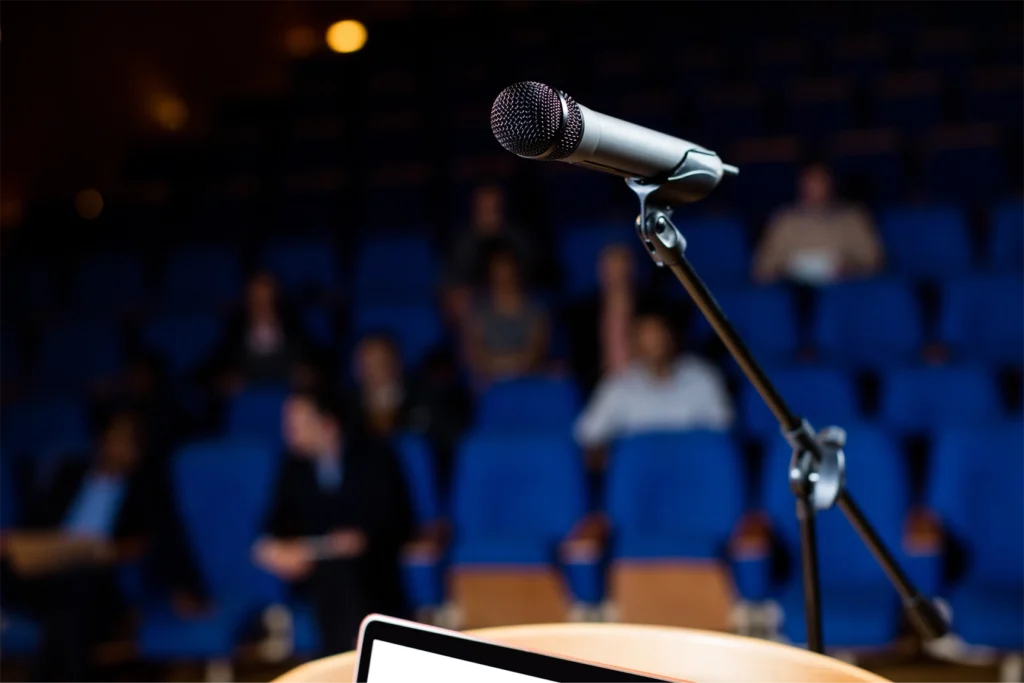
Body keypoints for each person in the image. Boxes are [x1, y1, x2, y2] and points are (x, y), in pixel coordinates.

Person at [254, 390, 414, 654]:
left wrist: (363, 537)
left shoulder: (375, 455)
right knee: (332, 578)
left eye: (297, 425)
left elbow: (398, 519)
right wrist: (280, 552)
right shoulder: (293, 467)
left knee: (346, 577)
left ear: (327, 424)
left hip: (373, 571)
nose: (289, 434)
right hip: (317, 575)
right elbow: (272, 526)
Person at [13, 412, 163, 683]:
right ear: (101, 441)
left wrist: (113, 551)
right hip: (47, 571)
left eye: (129, 444)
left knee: (71, 600)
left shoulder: (144, 487)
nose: (121, 449)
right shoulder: (69, 473)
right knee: (64, 603)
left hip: (101, 579)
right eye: (115, 440)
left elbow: (153, 540)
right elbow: (35, 524)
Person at [574, 311, 734, 453]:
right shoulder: (618, 385)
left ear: (672, 338)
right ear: (635, 345)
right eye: (647, 339)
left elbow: (723, 434)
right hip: (641, 476)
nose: (655, 345)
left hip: (694, 469)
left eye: (659, 337)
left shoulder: (702, 377)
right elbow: (587, 436)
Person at [346, 332, 469, 484]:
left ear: (396, 363)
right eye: (367, 363)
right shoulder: (344, 408)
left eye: (381, 361)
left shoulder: (426, 397)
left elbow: (452, 443)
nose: (374, 370)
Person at [752, 163, 884, 285]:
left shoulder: (853, 219)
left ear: (831, 183)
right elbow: (761, 271)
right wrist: (786, 273)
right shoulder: (783, 221)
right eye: (809, 182)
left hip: (844, 293)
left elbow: (876, 264)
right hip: (793, 296)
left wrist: (851, 269)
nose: (814, 188)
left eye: (820, 181)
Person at [564, 244, 662, 397]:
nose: (618, 272)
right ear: (601, 270)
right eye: (611, 265)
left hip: (648, 385)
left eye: (623, 264)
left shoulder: (652, 305)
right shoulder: (582, 313)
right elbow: (578, 359)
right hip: (599, 387)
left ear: (633, 268)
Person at [209, 271, 313, 393]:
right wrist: (223, 381)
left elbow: (315, 365)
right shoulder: (232, 333)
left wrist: (308, 375)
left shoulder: (295, 329)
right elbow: (211, 372)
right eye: (256, 300)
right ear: (247, 302)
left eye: (268, 299)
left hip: (289, 400)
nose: (263, 307)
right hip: (247, 403)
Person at [464, 248, 549, 389]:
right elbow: (475, 354)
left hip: (526, 380)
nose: (504, 277)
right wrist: (499, 368)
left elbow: (534, 353)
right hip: (488, 382)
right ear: (491, 275)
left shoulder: (536, 311)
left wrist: (510, 367)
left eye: (508, 271)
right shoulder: (479, 311)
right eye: (498, 272)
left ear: (517, 273)